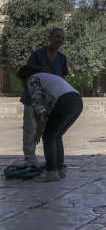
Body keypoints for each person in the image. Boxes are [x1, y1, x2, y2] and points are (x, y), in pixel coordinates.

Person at [16, 65, 82, 182]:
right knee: (56, 136)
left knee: (48, 137)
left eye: (20, 81)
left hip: (65, 101)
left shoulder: (33, 79)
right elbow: (47, 111)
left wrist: (39, 131)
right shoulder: (47, 77)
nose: (21, 84)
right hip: (77, 101)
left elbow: (38, 107)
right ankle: (59, 169)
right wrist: (42, 128)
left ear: (24, 77)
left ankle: (51, 171)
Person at [14, 28, 69, 169]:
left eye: (62, 38)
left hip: (50, 100)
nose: (60, 40)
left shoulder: (62, 58)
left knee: (53, 132)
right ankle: (30, 158)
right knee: (30, 128)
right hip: (32, 96)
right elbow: (29, 75)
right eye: (57, 36)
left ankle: (55, 162)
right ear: (49, 37)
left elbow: (62, 78)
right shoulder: (37, 55)